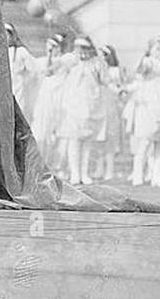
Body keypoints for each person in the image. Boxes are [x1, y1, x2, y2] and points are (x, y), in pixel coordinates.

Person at [128, 36, 160, 188]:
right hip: (149, 108)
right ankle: (138, 173)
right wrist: (142, 58)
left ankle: (156, 174)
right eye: (158, 48)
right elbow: (140, 69)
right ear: (150, 50)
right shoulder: (149, 63)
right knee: (145, 143)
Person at [56, 37, 108, 186]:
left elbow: (104, 80)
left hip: (91, 104)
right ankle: (75, 173)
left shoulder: (96, 63)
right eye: (79, 48)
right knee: (74, 140)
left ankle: (84, 173)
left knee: (87, 141)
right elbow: (56, 69)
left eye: (85, 48)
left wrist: (101, 65)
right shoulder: (71, 61)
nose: (82, 52)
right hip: (74, 105)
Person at [31, 35, 69, 176]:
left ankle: (60, 166)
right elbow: (44, 71)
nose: (52, 50)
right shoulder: (42, 61)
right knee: (42, 131)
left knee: (59, 133)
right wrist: (48, 55)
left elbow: (50, 70)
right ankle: (43, 164)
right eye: (50, 47)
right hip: (46, 101)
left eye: (55, 47)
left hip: (61, 100)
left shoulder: (66, 59)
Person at [88, 43, 124, 182]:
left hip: (111, 107)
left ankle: (110, 169)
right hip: (98, 105)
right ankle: (99, 168)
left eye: (104, 55)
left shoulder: (115, 70)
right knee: (98, 140)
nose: (101, 57)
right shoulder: (96, 69)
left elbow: (118, 87)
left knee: (110, 139)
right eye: (100, 54)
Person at [4, 22, 39, 118]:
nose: (6, 37)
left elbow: (33, 69)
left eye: (8, 34)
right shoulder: (0, 53)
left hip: (18, 88)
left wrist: (25, 81)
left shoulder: (21, 51)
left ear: (12, 36)